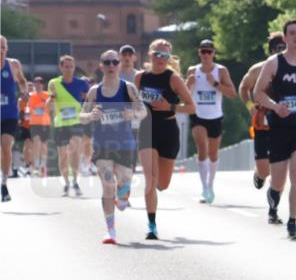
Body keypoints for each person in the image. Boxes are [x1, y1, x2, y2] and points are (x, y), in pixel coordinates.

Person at [252, 19, 296, 238]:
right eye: (291, 33)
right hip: (279, 126)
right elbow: (258, 93)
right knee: (279, 179)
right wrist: (275, 106)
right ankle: (273, 204)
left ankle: (292, 223)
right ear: (284, 38)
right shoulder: (274, 63)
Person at [80, 51, 145, 244]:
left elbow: (143, 111)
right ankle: (110, 231)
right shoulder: (95, 91)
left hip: (125, 144)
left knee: (123, 191)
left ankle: (123, 197)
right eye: (107, 62)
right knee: (107, 186)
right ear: (101, 66)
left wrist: (131, 115)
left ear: (118, 65)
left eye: (114, 62)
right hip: (102, 145)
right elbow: (81, 116)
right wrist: (91, 115)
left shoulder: (128, 88)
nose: (111, 65)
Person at [136, 39, 196, 240]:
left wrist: (170, 107)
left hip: (168, 130)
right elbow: (131, 103)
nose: (161, 59)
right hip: (147, 129)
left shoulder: (174, 79)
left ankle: (155, 194)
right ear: (150, 55)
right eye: (158, 54)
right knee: (150, 180)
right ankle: (151, 225)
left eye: (165, 56)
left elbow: (191, 107)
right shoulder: (140, 77)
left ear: (169, 59)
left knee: (162, 184)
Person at [186, 39, 236, 203]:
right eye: (204, 51)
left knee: (213, 154)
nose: (206, 55)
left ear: (214, 53)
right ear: (199, 53)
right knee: (202, 148)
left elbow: (232, 93)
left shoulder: (221, 71)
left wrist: (215, 83)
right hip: (197, 115)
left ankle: (210, 184)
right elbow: (185, 94)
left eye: (209, 51)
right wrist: (189, 83)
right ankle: (204, 189)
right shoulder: (193, 71)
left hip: (215, 116)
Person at [239, 32, 285, 191]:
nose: (284, 50)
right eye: (280, 48)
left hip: (285, 119)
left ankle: (275, 197)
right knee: (264, 169)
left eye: (286, 47)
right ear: (272, 50)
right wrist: (250, 106)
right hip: (263, 120)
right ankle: (259, 174)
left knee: (280, 162)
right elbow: (243, 87)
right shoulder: (258, 69)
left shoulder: (295, 67)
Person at [47, 54, 90, 196]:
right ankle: (66, 183)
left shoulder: (82, 83)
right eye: (66, 66)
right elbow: (49, 104)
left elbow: (88, 100)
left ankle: (75, 181)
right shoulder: (54, 83)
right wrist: (51, 98)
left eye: (71, 66)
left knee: (74, 149)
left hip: (76, 121)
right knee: (62, 155)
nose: (69, 69)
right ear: (61, 67)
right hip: (60, 123)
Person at [1, 35, 30, 201]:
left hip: (10, 114)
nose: (1, 50)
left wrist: (24, 93)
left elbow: (22, 81)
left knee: (6, 146)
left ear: (7, 48)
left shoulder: (13, 65)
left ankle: (4, 184)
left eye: (3, 47)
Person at [27, 76, 51, 177]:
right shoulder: (31, 95)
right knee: (36, 142)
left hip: (45, 123)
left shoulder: (47, 95)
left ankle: (43, 165)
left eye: (39, 83)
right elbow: (29, 108)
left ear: (43, 84)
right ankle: (35, 166)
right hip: (34, 123)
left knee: (44, 145)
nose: (37, 84)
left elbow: (51, 107)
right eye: (36, 83)